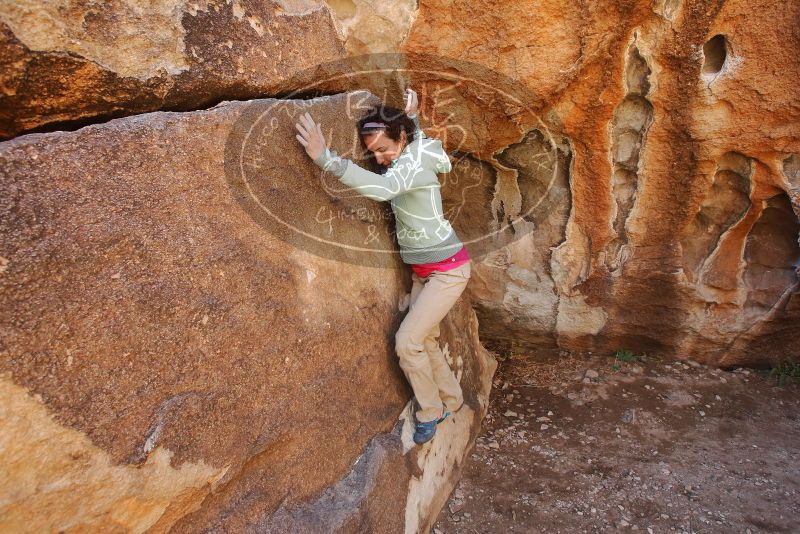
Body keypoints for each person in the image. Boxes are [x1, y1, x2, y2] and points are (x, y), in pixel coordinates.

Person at [294, 88, 471, 445]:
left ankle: (431, 411)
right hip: (426, 270)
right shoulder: (413, 148)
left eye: (384, 149)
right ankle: (452, 400)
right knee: (427, 339)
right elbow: (410, 151)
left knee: (407, 342)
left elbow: (383, 189)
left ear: (401, 137)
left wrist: (327, 159)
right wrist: (414, 121)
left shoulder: (413, 163)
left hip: (448, 271)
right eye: (372, 153)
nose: (379, 158)